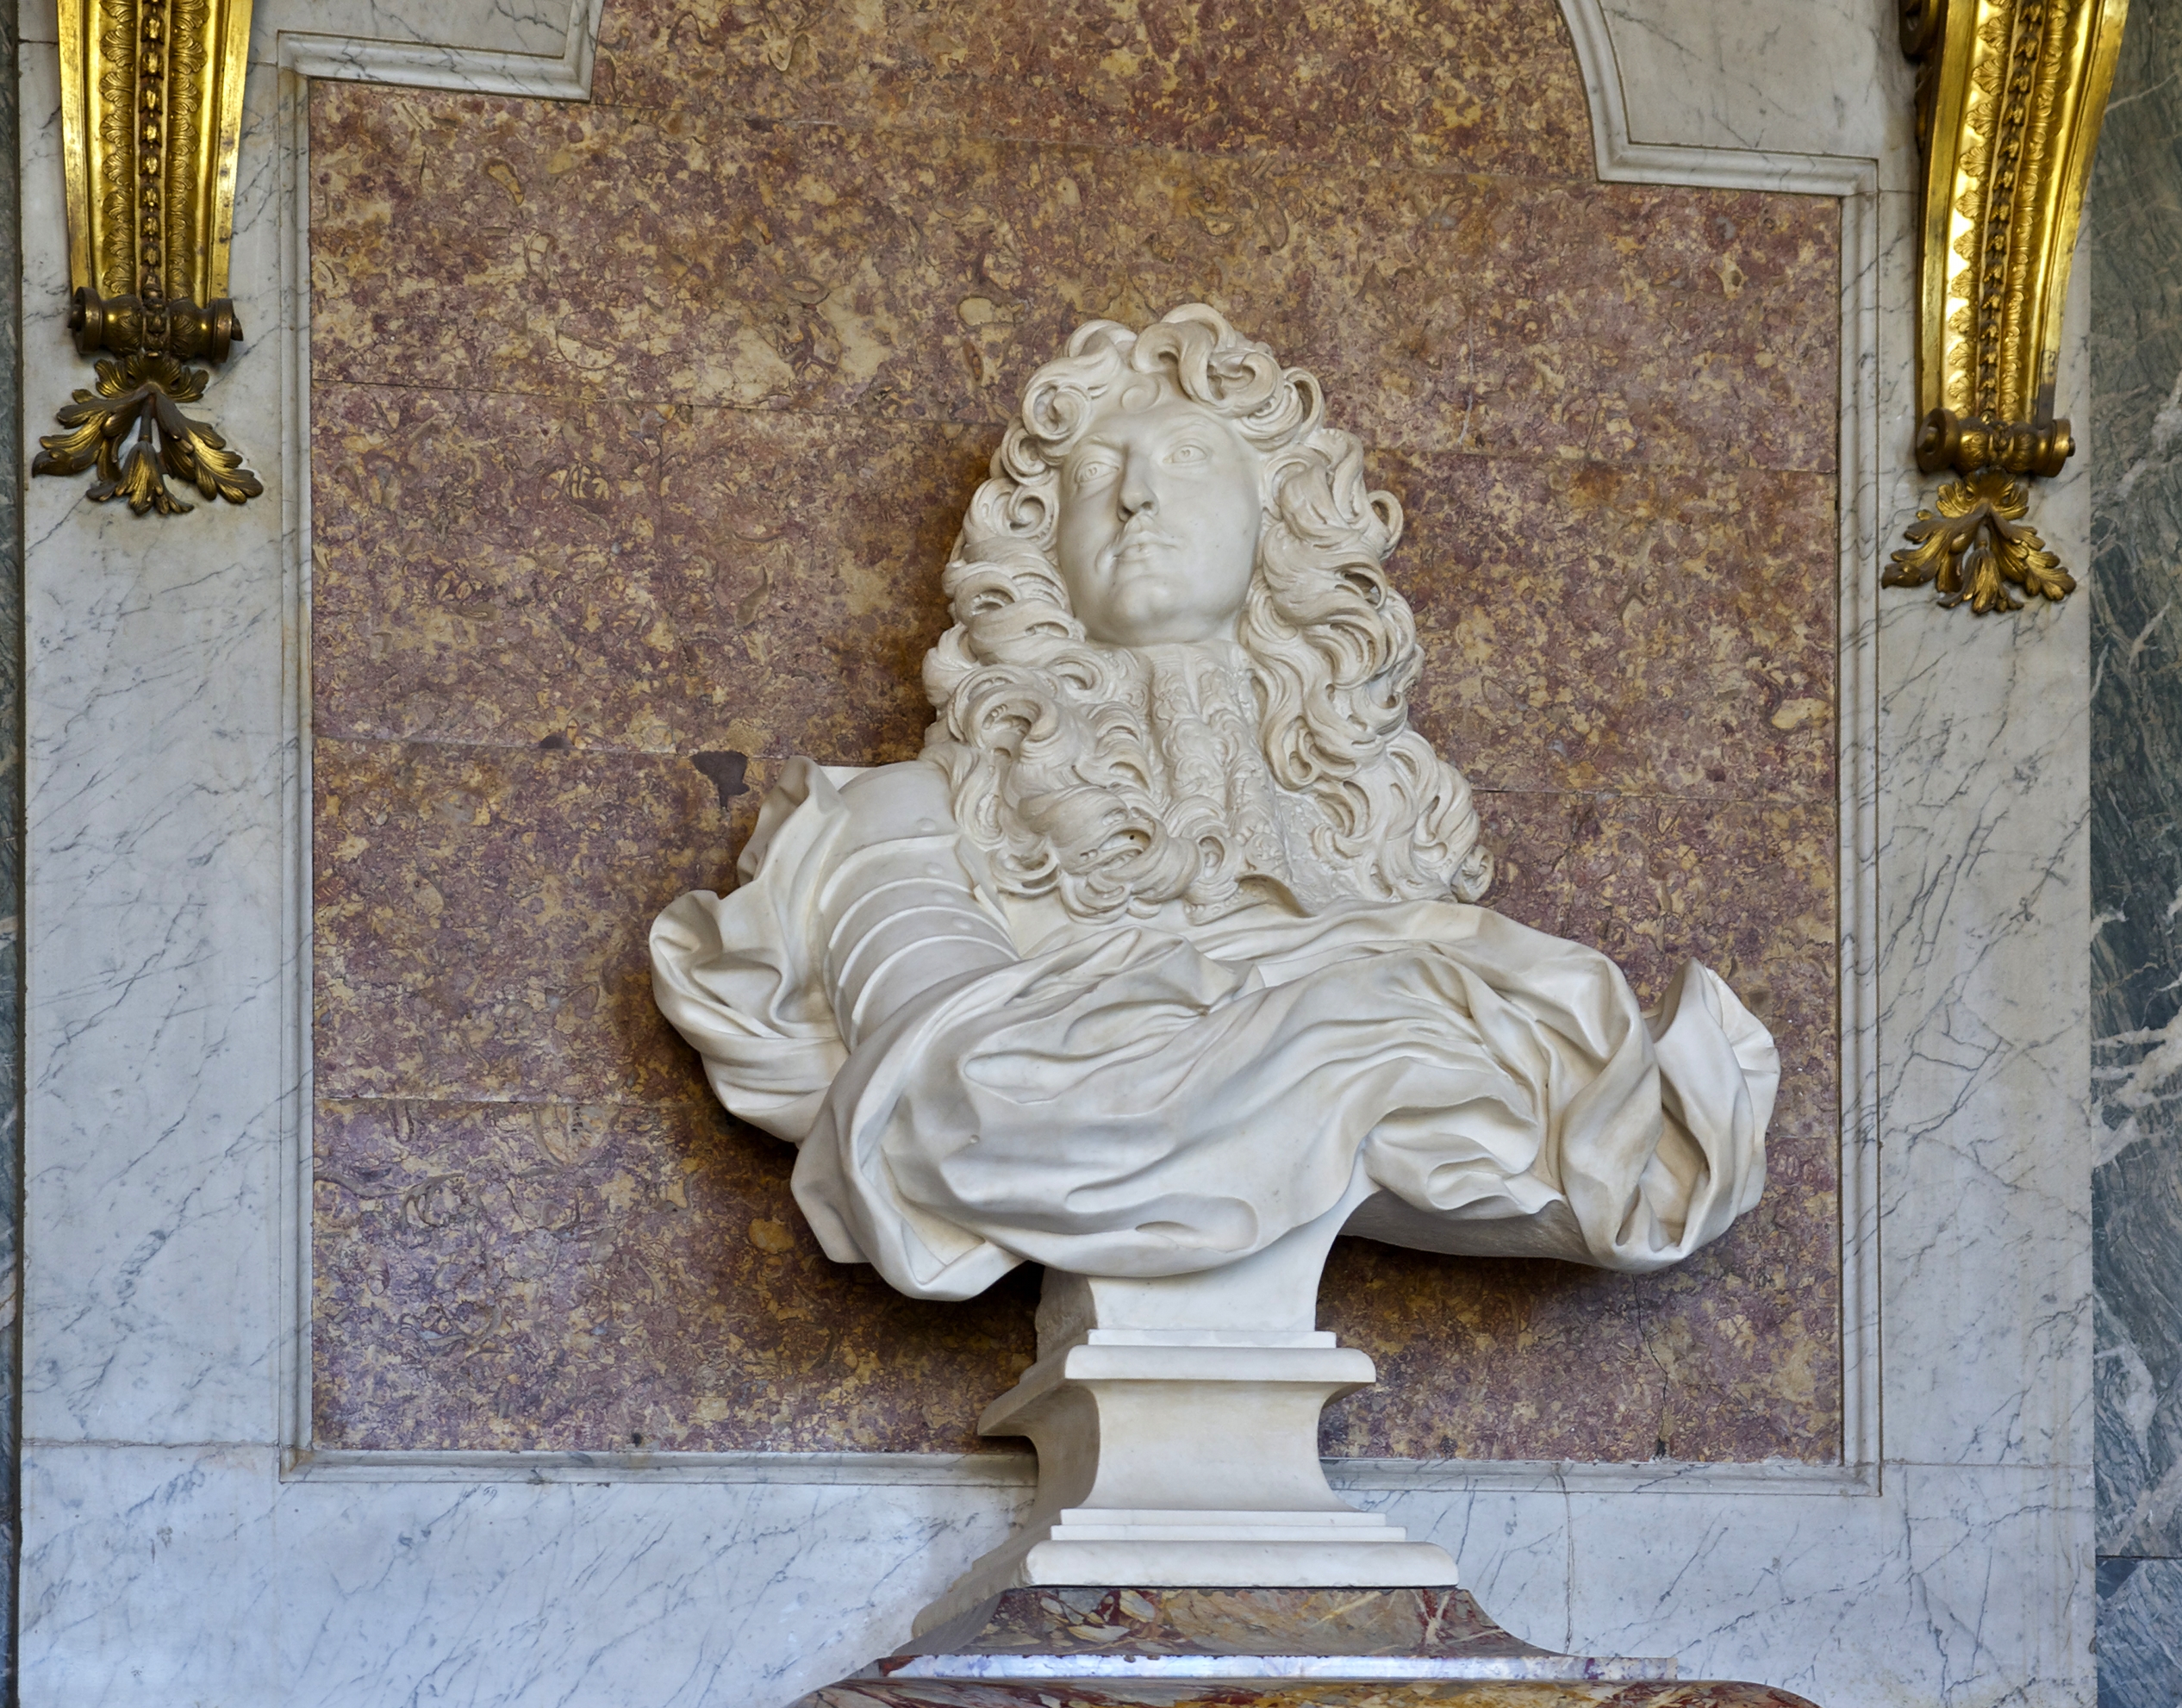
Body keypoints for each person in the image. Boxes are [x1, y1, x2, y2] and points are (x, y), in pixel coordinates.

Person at [651, 304, 1777, 1304]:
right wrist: (1368, 1020)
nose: (1135, 495)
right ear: (1038, 550)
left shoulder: (1389, 846)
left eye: (1186, 457)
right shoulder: (899, 821)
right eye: (1094, 474)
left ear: (1277, 520)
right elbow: (960, 1109)